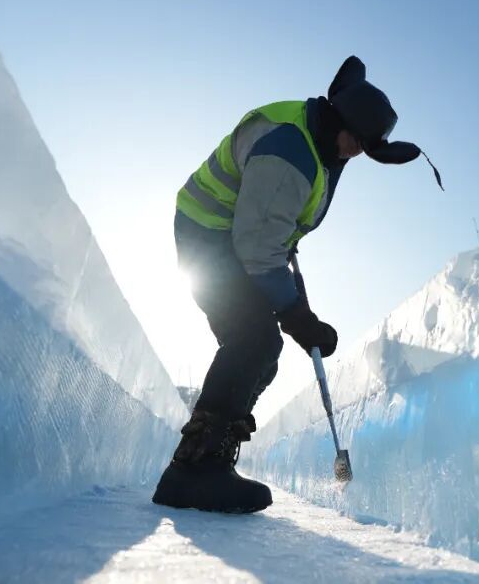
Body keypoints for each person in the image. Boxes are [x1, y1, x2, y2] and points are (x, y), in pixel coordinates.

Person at [152, 56, 439, 513]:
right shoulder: (291, 152)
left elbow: (273, 233)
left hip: (232, 238)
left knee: (263, 353)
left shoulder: (319, 142)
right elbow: (256, 244)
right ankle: (191, 471)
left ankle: (212, 455)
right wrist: (296, 317)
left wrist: (295, 304)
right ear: (342, 122)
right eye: (358, 143)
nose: (356, 154)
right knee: (253, 338)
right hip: (210, 236)